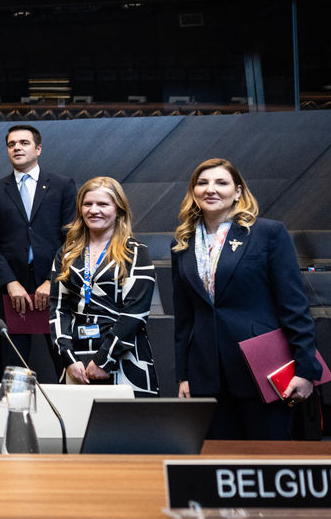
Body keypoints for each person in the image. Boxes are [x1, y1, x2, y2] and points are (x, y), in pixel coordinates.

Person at [172, 158, 321, 440]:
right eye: (202, 183)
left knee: (269, 462)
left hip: (263, 372)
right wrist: (184, 375)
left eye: (221, 182)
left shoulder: (267, 233)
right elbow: (184, 319)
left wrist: (305, 370)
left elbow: (295, 307)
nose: (210, 189)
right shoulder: (182, 242)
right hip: (207, 377)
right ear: (193, 192)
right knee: (220, 467)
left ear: (238, 191)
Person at [0, 124, 77, 376]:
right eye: (11, 144)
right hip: (14, 290)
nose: (17, 148)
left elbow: (71, 239)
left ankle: (69, 413)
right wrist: (10, 283)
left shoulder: (62, 185)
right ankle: (16, 415)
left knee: (64, 359)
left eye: (23, 143)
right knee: (15, 364)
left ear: (38, 148)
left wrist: (51, 280)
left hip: (55, 287)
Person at [49, 177, 158, 396]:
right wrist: (68, 358)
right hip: (76, 362)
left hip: (126, 359)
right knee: (76, 428)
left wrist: (103, 360)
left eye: (103, 204)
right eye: (88, 204)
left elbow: (135, 314)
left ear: (118, 209)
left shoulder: (135, 252)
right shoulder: (67, 252)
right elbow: (58, 308)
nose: (93, 210)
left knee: (128, 428)